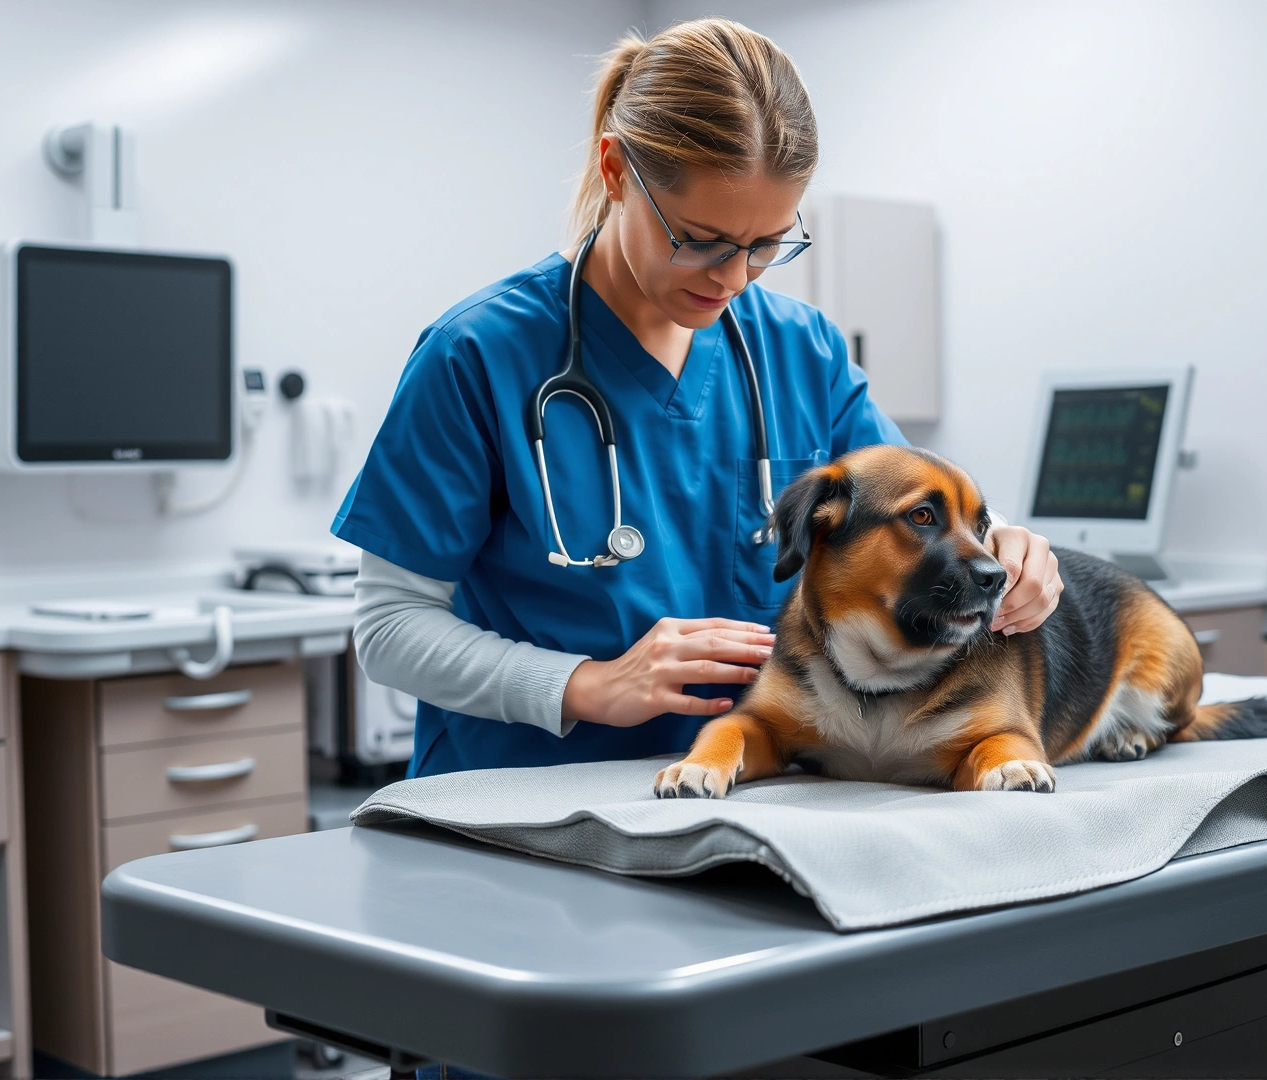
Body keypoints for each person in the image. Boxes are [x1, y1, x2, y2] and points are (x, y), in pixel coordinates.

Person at [331, 17, 1062, 781]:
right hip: (520, 805)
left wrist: (1009, 544)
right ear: (616, 171)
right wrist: (589, 685)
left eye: (767, 244)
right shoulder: (478, 354)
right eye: (700, 238)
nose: (734, 277)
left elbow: (915, 504)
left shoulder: (799, 349)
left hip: (748, 800)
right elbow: (390, 627)